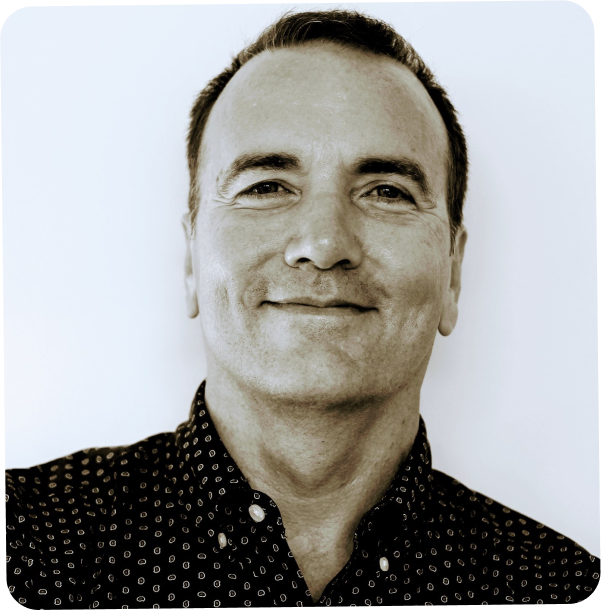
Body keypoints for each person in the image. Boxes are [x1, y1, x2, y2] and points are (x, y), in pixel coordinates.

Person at [5, 8, 598, 608]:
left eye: (387, 191)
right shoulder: (25, 543)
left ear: (453, 272)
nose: (324, 243)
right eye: (265, 187)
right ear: (191, 260)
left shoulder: (560, 588)